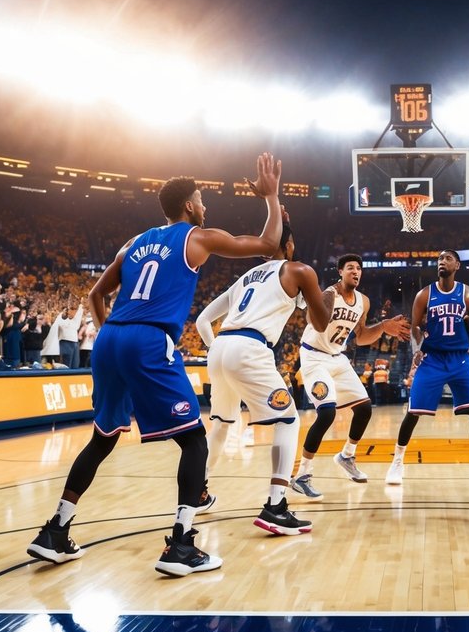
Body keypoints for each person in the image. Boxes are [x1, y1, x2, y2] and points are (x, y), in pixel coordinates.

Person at [26, 153, 284, 578]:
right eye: (201, 201)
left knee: (102, 439)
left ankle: (55, 531)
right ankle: (181, 546)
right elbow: (268, 245)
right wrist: (272, 198)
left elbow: (95, 295)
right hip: (148, 339)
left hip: (110, 339)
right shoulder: (196, 237)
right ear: (189, 207)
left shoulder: (135, 242)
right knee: (194, 441)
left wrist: (114, 333)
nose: (205, 207)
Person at [196, 217, 331, 534]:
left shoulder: (245, 278)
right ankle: (275, 506)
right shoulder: (298, 270)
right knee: (288, 420)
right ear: (289, 245)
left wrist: (218, 348)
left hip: (220, 348)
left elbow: (203, 319)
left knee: (220, 424)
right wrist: (323, 299)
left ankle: (197, 491)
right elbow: (321, 323)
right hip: (249, 347)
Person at [289, 254, 411, 499]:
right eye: (351, 268)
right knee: (327, 413)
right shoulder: (328, 295)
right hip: (314, 357)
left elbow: (362, 336)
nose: (356, 271)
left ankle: (346, 455)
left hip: (337, 357)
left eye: (359, 268)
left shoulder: (363, 302)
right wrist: (318, 305)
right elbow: (314, 322)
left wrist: (384, 326)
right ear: (340, 272)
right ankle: (302, 475)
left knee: (365, 408)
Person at [385, 250, 469, 487]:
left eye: (447, 259)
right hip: (433, 358)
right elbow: (415, 328)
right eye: (439, 259)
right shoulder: (424, 294)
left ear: (457, 264)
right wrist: (417, 349)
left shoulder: (467, 292)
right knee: (413, 412)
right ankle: (397, 462)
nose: (442, 262)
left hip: (460, 358)